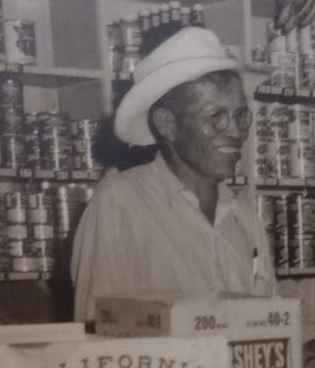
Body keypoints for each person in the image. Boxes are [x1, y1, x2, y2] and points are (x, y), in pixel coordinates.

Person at [71, 25, 275, 322]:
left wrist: (301, 350)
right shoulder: (119, 204)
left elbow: (266, 321)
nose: (235, 131)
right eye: (216, 116)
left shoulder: (243, 215)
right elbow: (99, 338)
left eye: (241, 115)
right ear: (167, 124)